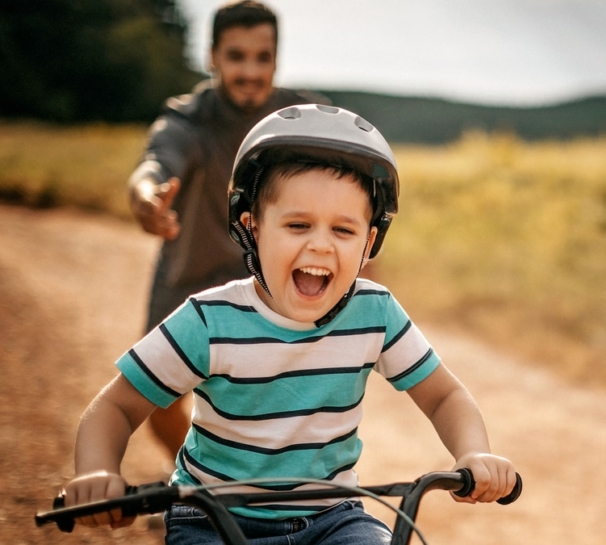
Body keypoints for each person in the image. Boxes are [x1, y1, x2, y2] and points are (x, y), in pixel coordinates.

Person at [62, 104, 518, 543]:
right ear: (252, 227)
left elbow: (444, 396)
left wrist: (473, 452)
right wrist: (98, 471)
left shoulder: (374, 313)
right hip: (213, 519)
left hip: (334, 518)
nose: (321, 245)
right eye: (298, 225)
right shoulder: (209, 319)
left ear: (369, 242)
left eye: (343, 230)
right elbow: (114, 408)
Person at [128, 0, 326, 462]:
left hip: (273, 280)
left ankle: (270, 498)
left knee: (283, 400)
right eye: (236, 56)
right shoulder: (190, 119)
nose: (251, 71)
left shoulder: (302, 116)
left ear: (277, 59)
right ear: (211, 57)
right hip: (189, 277)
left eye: (263, 58)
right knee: (157, 400)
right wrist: (145, 196)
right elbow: (155, 164)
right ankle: (207, 485)